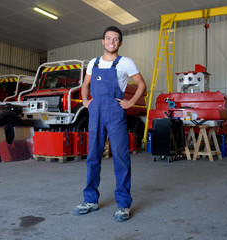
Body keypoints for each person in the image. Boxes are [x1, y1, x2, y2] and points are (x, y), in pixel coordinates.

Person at [73, 26, 146, 222]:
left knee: (121, 158)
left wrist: (130, 103)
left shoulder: (125, 63)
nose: (111, 42)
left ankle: (123, 204)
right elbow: (85, 85)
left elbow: (141, 84)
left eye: (115, 39)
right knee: (92, 157)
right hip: (95, 113)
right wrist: (85, 101)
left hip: (115, 114)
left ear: (120, 43)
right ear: (103, 41)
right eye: (108, 38)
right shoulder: (94, 63)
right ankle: (90, 200)